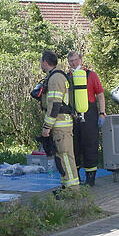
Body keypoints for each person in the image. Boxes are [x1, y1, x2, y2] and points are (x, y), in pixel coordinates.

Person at [40, 50, 80, 189]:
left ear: (45, 62)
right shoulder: (57, 75)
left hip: (61, 125)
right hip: (62, 124)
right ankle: (65, 187)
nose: (41, 65)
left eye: (41, 62)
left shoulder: (55, 78)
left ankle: (72, 190)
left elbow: (55, 105)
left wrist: (46, 127)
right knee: (62, 158)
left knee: (66, 157)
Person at [67, 51, 106, 187]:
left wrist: (102, 113)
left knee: (90, 144)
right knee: (74, 146)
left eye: (75, 60)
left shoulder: (91, 75)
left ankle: (91, 179)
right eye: (71, 61)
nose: (73, 63)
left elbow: (100, 94)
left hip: (90, 113)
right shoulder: (67, 77)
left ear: (81, 60)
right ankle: (76, 176)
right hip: (73, 115)